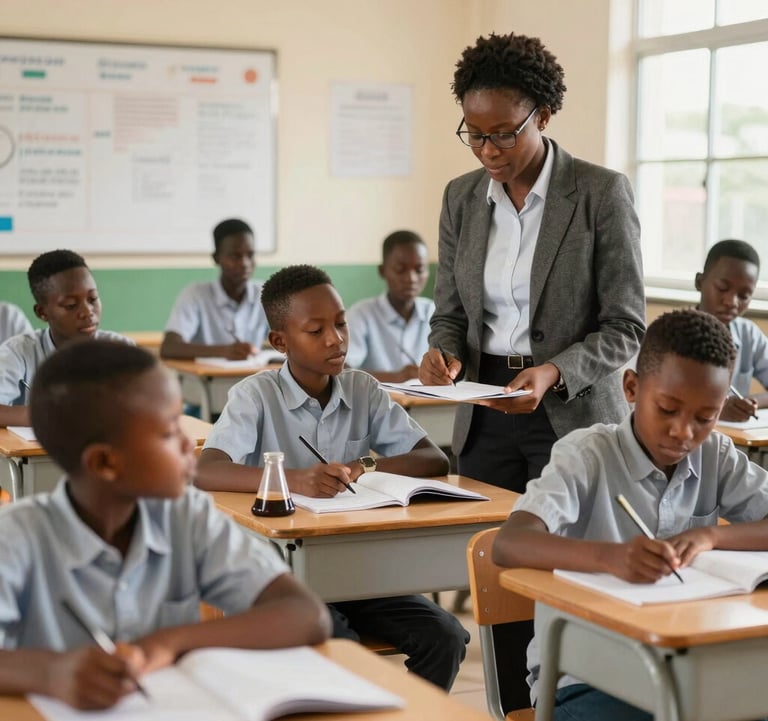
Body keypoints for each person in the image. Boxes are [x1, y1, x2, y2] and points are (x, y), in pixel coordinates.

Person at [0, 340, 330, 710]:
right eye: (170, 431)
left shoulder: (186, 517)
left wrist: (166, 642)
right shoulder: (16, 536)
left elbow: (307, 615)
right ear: (105, 463)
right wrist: (50, 672)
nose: (191, 445)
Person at [195, 264, 469, 691]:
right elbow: (205, 469)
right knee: (338, 642)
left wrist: (366, 465)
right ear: (280, 341)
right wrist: (294, 480)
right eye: (316, 330)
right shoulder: (255, 395)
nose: (335, 338)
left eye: (341, 323)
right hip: (283, 574)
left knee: (445, 636)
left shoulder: (364, 389)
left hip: (354, 568)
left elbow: (431, 459)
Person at [492, 309, 768, 721]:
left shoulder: (716, 455)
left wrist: (711, 538)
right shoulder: (586, 454)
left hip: (687, 663)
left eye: (704, 419)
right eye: (668, 409)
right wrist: (612, 559)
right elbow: (509, 544)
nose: (684, 433)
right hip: (583, 673)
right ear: (632, 387)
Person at [419, 31, 645, 494]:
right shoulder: (460, 197)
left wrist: (555, 373)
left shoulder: (600, 193)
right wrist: (444, 356)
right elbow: (449, 314)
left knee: (566, 551)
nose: (488, 150)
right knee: (484, 545)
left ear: (542, 116)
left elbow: (625, 326)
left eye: (503, 133)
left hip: (572, 410)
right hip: (484, 409)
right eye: (475, 134)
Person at [0, 249, 132, 428]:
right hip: (35, 455)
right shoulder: (18, 352)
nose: (87, 312)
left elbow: (151, 404)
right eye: (71, 305)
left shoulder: (120, 349)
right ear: (42, 312)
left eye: (93, 299)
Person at [160, 218, 268, 360]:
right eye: (235, 256)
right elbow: (169, 347)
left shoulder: (265, 294)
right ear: (216, 258)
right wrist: (225, 351)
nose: (244, 263)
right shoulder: (196, 295)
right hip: (207, 381)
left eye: (250, 255)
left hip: (251, 378)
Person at [345, 230, 434, 383]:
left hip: (427, 405)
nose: (411, 278)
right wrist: (399, 377)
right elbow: (343, 370)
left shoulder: (434, 312)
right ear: (382, 271)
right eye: (400, 270)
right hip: (375, 404)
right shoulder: (361, 315)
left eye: (419, 270)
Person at [694, 238, 768, 421]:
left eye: (743, 295)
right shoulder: (669, 334)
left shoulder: (749, 334)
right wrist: (717, 409)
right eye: (722, 288)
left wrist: (751, 402)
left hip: (737, 440)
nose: (731, 302)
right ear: (699, 282)